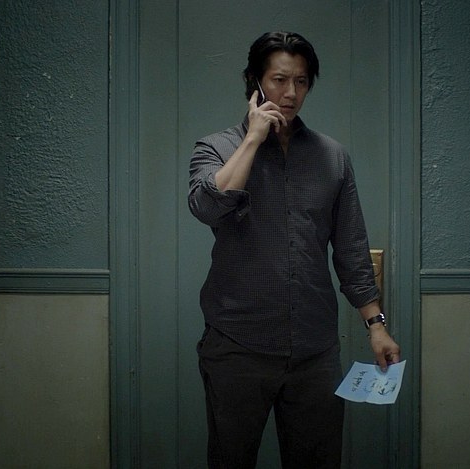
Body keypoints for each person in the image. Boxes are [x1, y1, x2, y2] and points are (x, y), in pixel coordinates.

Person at [188, 30, 400, 469]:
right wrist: (253, 139)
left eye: (301, 82)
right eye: (280, 80)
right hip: (236, 346)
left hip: (314, 352)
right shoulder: (216, 147)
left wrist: (375, 325)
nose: (291, 93)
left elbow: (351, 247)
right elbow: (207, 207)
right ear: (255, 82)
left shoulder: (332, 157)